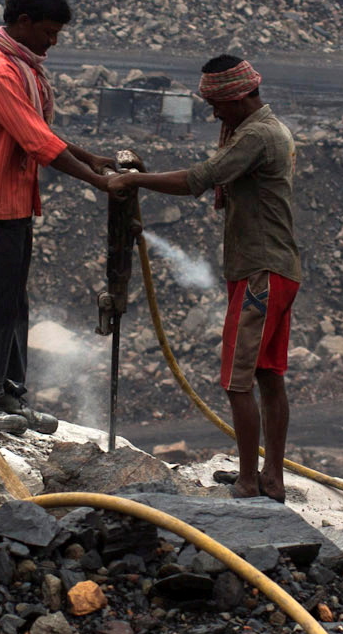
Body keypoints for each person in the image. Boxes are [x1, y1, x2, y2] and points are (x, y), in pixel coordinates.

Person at [107, 54, 301, 500]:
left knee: (236, 382)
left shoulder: (256, 136)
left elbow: (200, 178)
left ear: (238, 96)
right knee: (269, 376)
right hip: (275, 268)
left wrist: (135, 182)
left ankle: (251, 482)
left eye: (217, 104)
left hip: (261, 273)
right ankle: (270, 477)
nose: (214, 114)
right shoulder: (267, 130)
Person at [0, 0, 112, 402]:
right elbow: (37, 140)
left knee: (12, 302)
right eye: (48, 33)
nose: (52, 43)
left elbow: (39, 130)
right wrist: (96, 179)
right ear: (23, 23)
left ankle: (8, 389)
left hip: (13, 203)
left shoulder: (20, 68)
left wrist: (89, 157)